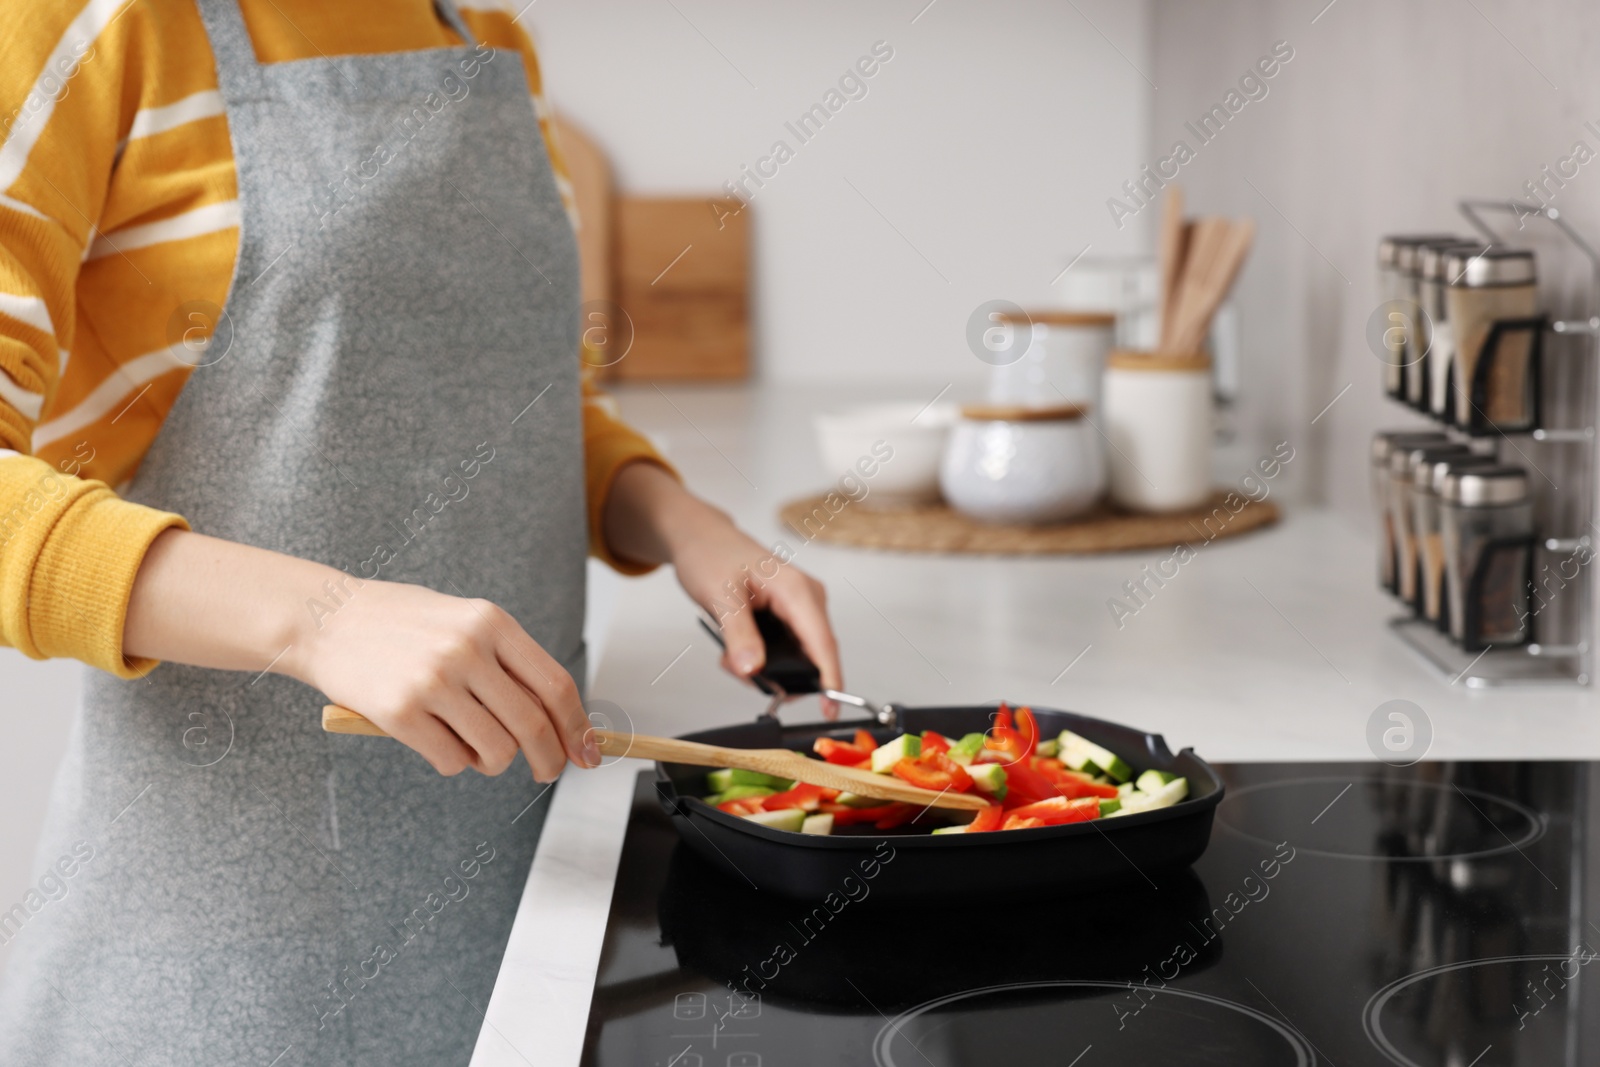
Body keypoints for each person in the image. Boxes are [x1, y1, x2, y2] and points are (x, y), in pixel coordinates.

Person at [0, 1, 841, 1063]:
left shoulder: (480, 32)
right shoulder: (89, 23)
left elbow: (505, 396)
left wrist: (682, 519)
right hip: (228, 952)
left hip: (521, 880)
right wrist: (322, 618)